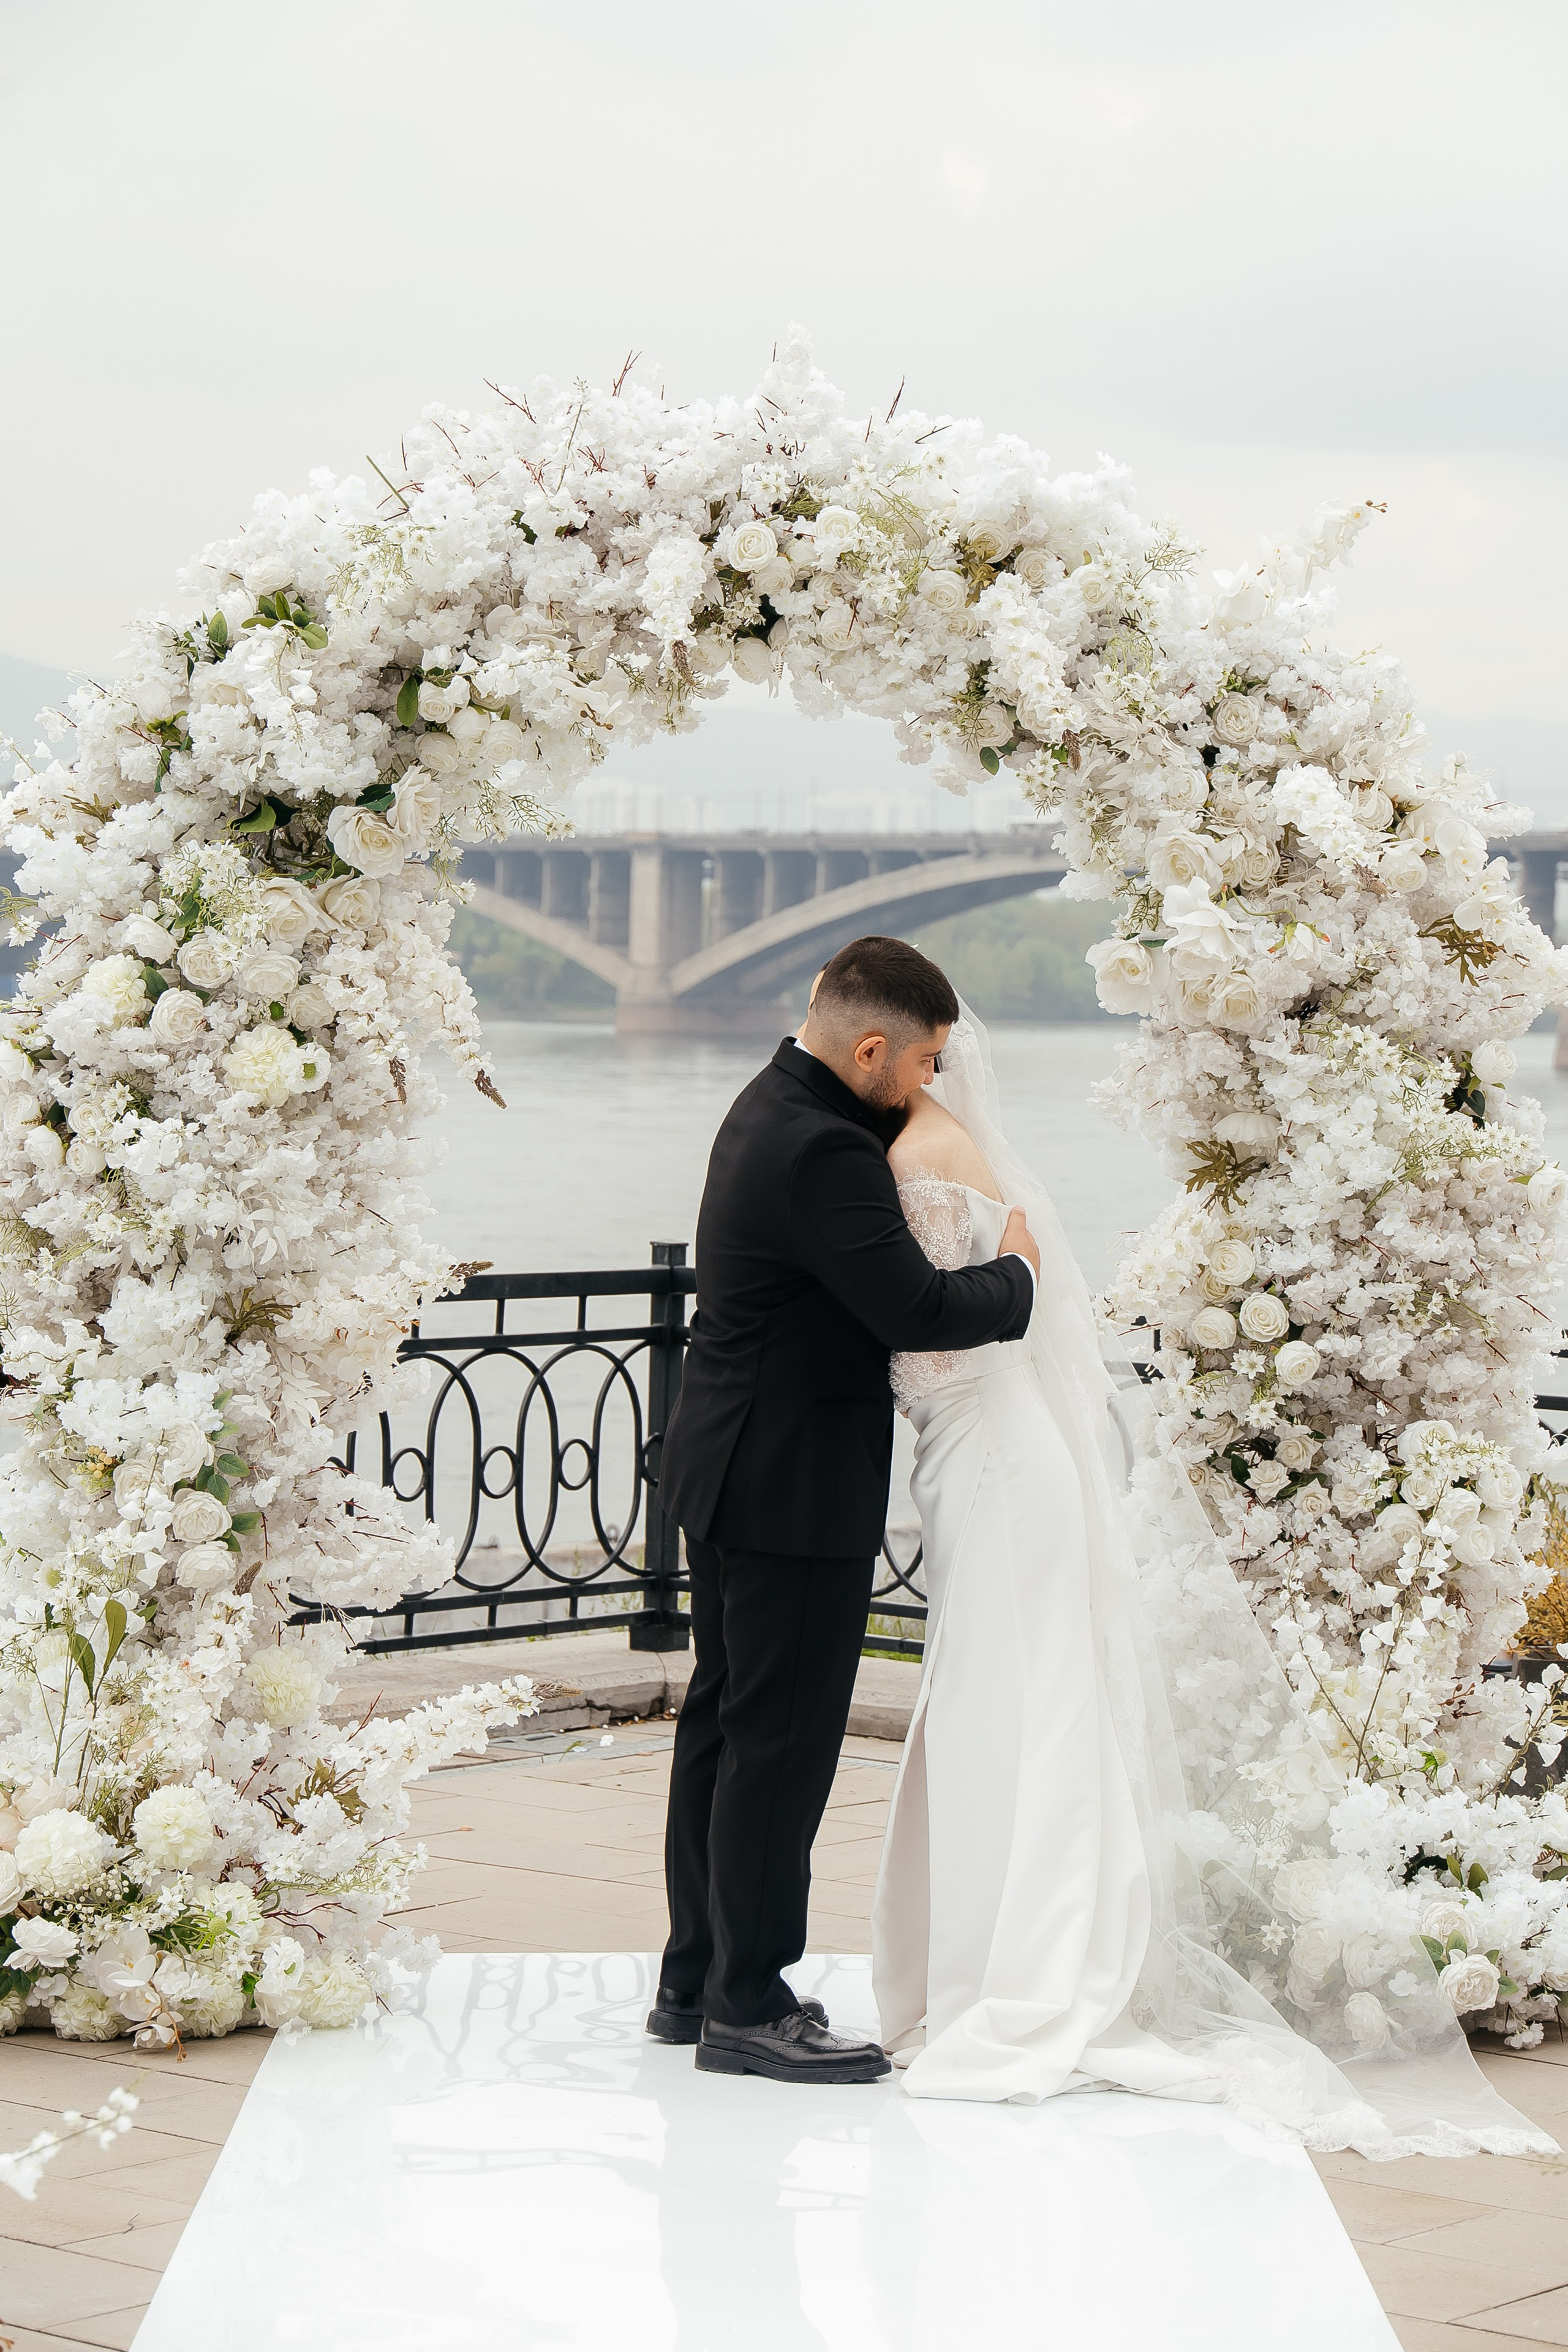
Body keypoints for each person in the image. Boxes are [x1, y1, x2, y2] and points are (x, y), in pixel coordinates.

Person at [868, 998, 1555, 2160]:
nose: (924, 1071)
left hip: (983, 1446)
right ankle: (1001, 1953)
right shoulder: (935, 1142)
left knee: (1017, 1699)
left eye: (930, 1056)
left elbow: (939, 1334)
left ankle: (1020, 1969)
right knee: (1016, 1694)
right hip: (984, 1446)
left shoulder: (922, 1151)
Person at [650, 937, 1039, 2085]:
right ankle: (751, 2007)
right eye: (918, 1065)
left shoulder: (773, 1101)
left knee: (723, 1732)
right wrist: (1018, 1271)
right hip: (789, 1488)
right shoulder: (823, 1149)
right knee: (778, 1750)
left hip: (727, 1464)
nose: (926, 1084)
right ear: (870, 1045)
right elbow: (917, 1305)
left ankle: (695, 1980)